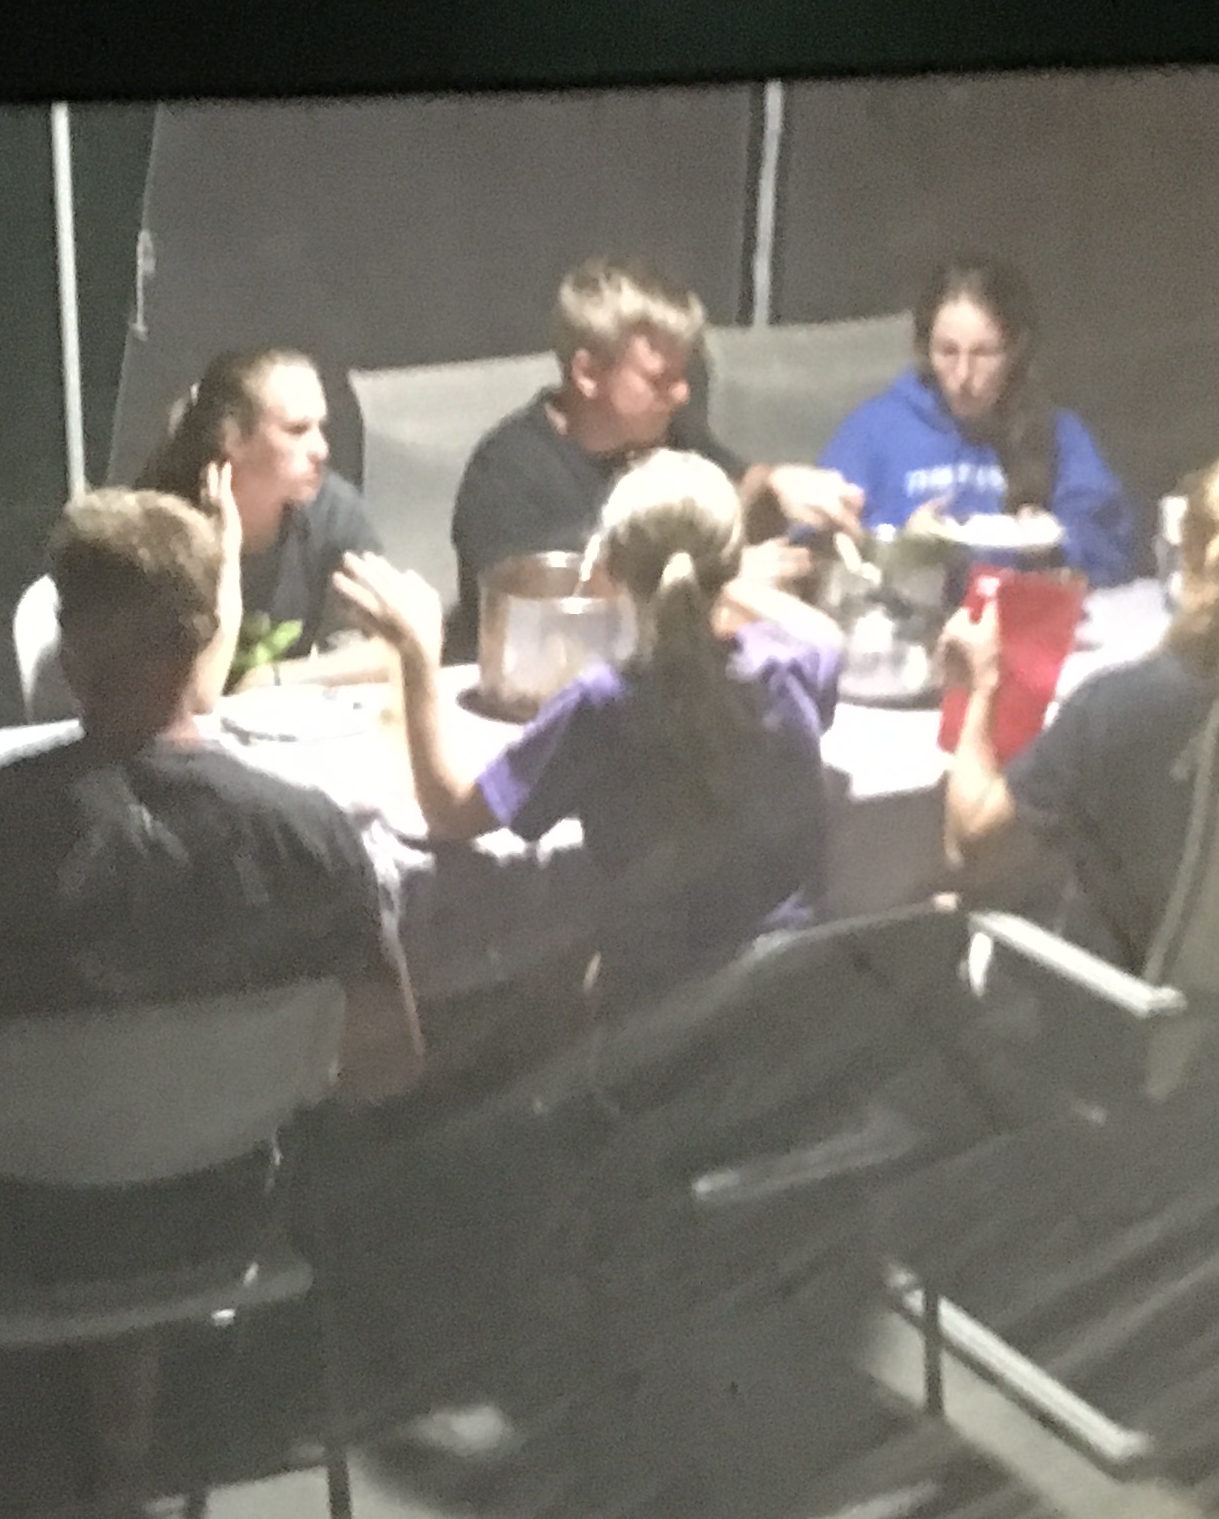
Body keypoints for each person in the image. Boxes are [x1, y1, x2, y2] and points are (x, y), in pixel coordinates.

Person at [0, 488, 425, 1469]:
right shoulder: (310, 831)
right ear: (205, 640)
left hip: (14, 1222)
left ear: (70, 652)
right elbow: (391, 1062)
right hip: (225, 1212)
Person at [341, 449, 846, 1010]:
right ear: (730, 562)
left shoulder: (606, 704)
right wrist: (727, 580)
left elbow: (452, 813)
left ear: (606, 567)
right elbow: (824, 633)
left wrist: (416, 659)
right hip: (794, 1001)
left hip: (663, 1018)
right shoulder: (792, 664)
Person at [938, 444, 1219, 961]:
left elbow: (972, 848)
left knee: (947, 910)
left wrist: (979, 686)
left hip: (1110, 997)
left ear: (1188, 548)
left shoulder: (1121, 706)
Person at [443, 259, 865, 662]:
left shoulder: (668, 436)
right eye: (661, 379)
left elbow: (731, 488)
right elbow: (548, 624)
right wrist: (716, 585)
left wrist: (773, 485)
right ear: (588, 373)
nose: (682, 394)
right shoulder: (505, 473)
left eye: (684, 374)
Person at [815, 259, 1141, 584]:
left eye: (983, 353)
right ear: (925, 349)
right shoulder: (875, 430)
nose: (963, 376)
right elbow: (817, 549)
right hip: (908, 607)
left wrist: (1057, 542)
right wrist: (905, 545)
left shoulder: (1056, 432)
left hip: (1017, 609)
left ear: (1015, 350)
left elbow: (1113, 545)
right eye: (947, 351)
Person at [132, 344, 393, 702]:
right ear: (232, 438)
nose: (321, 449)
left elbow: (393, 648)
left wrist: (270, 680)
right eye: (297, 430)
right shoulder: (162, 527)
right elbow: (197, 698)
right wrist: (224, 559)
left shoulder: (331, 511)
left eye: (321, 427)